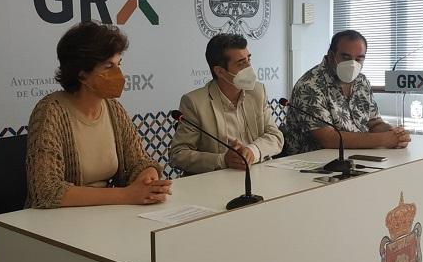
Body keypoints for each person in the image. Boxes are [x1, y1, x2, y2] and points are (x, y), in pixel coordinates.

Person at [25, 22, 172, 208]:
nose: (119, 74)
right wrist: (127, 195)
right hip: (57, 224)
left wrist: (147, 177)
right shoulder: (50, 111)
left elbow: (139, 161)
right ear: (82, 74)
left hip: (105, 217)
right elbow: (47, 191)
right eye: (108, 66)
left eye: (119, 64)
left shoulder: (114, 109)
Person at [170, 33, 283, 174]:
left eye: (249, 60)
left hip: (259, 174)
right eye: (241, 63)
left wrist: (252, 151)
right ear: (220, 71)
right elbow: (178, 154)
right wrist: (223, 160)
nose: (249, 67)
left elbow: (275, 136)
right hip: (217, 184)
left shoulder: (257, 92)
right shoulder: (194, 102)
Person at [284, 30, 411, 155]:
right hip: (312, 164)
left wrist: (394, 133)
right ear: (331, 55)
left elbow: (374, 123)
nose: (353, 64)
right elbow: (328, 139)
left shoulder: (362, 81)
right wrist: (384, 140)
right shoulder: (310, 86)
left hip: (358, 157)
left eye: (359, 59)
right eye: (346, 57)